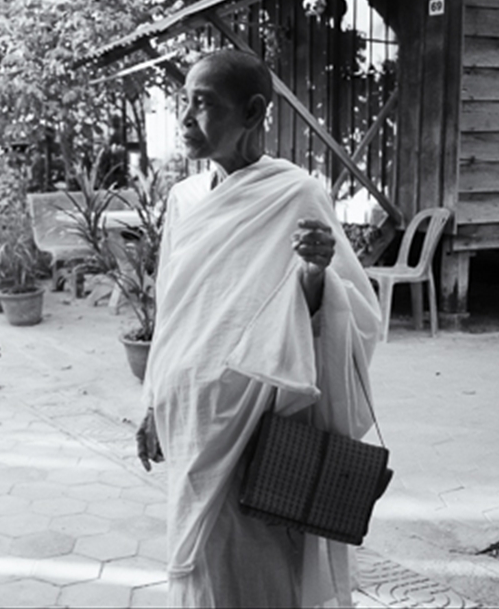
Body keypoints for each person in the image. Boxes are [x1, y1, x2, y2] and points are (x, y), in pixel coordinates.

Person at [135, 48, 382, 608]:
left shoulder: (297, 193)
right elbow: (172, 306)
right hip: (189, 413)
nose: (186, 118)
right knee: (197, 567)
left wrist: (317, 274)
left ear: (252, 112)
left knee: (253, 567)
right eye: (184, 102)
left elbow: (355, 316)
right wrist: (151, 401)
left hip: (257, 420)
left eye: (203, 104)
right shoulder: (184, 199)